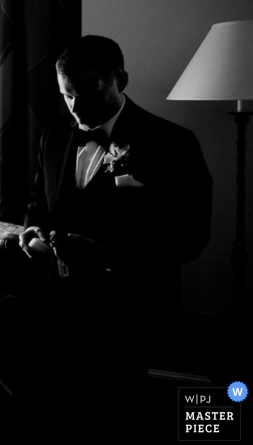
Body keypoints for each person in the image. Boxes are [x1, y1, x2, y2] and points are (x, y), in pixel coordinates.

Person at [19, 36, 212, 442]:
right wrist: (31, 229)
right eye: (67, 95)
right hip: (60, 303)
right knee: (63, 413)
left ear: (120, 78)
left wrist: (113, 256)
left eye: (88, 92)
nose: (76, 107)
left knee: (119, 417)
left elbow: (191, 234)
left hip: (129, 307)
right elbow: (39, 203)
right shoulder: (53, 135)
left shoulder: (173, 143)